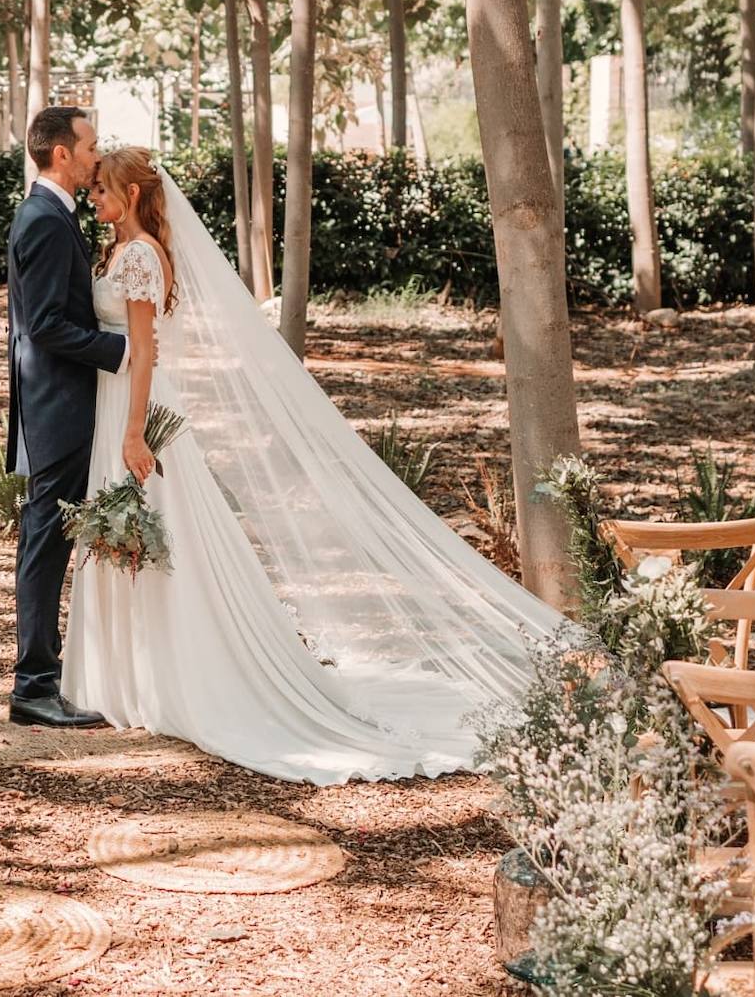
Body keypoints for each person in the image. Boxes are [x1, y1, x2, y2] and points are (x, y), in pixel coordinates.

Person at [60, 147, 573, 784]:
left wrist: (135, 433)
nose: (95, 199)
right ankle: (129, 674)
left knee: (157, 533)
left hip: (136, 408)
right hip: (120, 403)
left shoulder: (139, 256)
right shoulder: (120, 250)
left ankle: (162, 676)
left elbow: (142, 352)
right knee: (142, 535)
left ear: (134, 195)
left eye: (105, 190)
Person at [6, 107, 125, 730]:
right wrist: (120, 351)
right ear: (60, 154)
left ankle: (48, 678)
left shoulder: (52, 216)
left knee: (48, 544)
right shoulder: (46, 221)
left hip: (59, 405)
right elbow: (46, 326)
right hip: (57, 408)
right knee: (45, 548)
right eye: (89, 145)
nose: (96, 155)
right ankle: (33, 685)